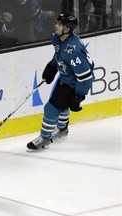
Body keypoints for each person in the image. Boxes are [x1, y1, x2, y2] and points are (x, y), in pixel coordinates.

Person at [27, 13, 95, 150]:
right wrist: (52, 66)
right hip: (65, 79)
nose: (55, 26)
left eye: (59, 24)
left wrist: (78, 96)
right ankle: (62, 129)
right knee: (62, 106)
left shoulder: (73, 50)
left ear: (67, 29)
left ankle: (44, 138)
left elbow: (86, 76)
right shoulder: (61, 39)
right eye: (56, 23)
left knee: (51, 108)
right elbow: (59, 54)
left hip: (72, 84)